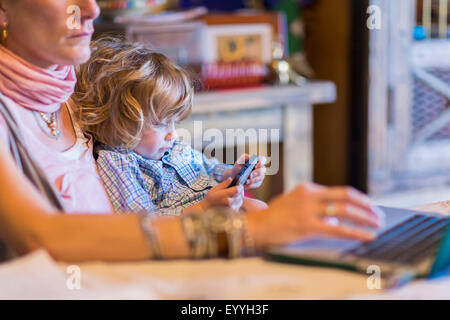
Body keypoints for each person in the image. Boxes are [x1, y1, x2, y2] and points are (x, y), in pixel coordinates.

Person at [0, 0, 382, 263]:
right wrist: (242, 228)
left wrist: (235, 183)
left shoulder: (77, 94)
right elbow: (42, 236)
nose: (91, 9)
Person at [72, 39, 268, 215]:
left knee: (261, 209)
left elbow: (208, 169)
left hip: (216, 211)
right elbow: (142, 224)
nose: (172, 134)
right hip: (188, 228)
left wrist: (232, 174)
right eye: (159, 124)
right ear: (118, 122)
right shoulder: (118, 163)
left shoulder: (171, 147)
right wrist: (204, 208)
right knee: (259, 211)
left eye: (174, 121)